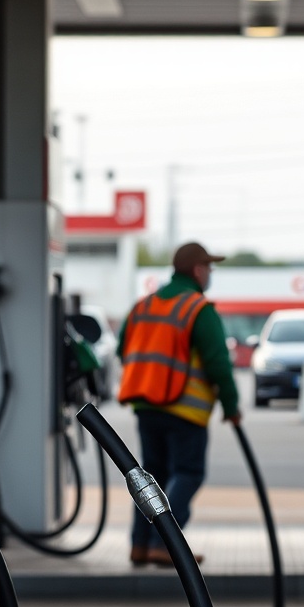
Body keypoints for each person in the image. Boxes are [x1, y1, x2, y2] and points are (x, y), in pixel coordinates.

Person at [117, 241, 241, 566]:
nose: (210, 273)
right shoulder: (198, 309)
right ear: (198, 270)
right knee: (187, 472)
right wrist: (231, 405)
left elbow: (122, 350)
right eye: (209, 268)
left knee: (150, 477)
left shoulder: (142, 307)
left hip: (145, 406)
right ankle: (164, 545)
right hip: (184, 410)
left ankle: (139, 545)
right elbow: (218, 363)